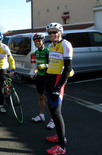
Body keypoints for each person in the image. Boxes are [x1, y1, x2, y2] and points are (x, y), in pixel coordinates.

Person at [45, 23, 73, 155]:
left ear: (60, 32)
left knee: (56, 112)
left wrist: (59, 86)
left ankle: (61, 146)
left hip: (57, 81)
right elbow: (52, 64)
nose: (52, 35)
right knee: (51, 110)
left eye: (54, 32)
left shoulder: (65, 45)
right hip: (49, 79)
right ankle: (59, 136)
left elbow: (67, 68)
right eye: (49, 33)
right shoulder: (51, 46)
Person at [31, 33, 55, 129]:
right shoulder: (36, 53)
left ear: (43, 41)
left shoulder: (47, 51)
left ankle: (53, 120)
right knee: (40, 96)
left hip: (47, 76)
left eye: (38, 41)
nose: (37, 43)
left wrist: (45, 66)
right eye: (35, 41)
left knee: (46, 97)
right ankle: (41, 115)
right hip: (40, 77)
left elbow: (52, 64)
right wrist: (35, 72)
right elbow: (37, 65)